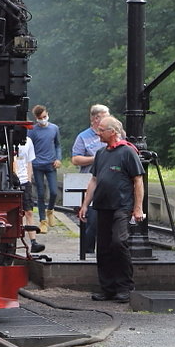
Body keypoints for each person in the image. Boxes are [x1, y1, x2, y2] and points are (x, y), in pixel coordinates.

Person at [78, 116, 144, 302]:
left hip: (122, 206)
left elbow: (138, 180)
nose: (98, 133)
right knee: (104, 247)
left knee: (118, 242)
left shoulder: (127, 152)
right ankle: (107, 288)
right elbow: (94, 180)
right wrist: (85, 204)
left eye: (101, 130)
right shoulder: (101, 154)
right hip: (102, 206)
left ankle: (125, 286)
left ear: (112, 132)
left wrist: (137, 208)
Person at [70, 103, 110, 255]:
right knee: (91, 221)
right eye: (106, 117)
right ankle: (87, 252)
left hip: (109, 184)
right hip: (90, 182)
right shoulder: (83, 137)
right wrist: (96, 159)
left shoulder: (115, 133)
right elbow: (75, 159)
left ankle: (105, 252)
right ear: (96, 118)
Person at [26, 104, 61, 233]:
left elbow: (58, 145)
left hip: (51, 164)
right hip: (37, 165)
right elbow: (29, 147)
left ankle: (50, 210)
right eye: (41, 118)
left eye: (45, 117)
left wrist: (58, 158)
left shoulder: (54, 128)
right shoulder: (33, 131)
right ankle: (42, 221)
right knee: (40, 193)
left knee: (53, 192)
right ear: (36, 118)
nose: (43, 119)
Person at [13, 136, 45, 253]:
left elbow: (29, 161)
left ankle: (33, 242)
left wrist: (28, 179)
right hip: (13, 180)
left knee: (29, 211)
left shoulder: (28, 141)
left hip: (25, 180)